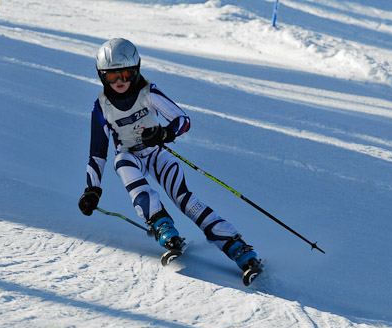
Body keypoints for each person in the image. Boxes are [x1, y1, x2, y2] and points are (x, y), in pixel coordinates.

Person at [78, 38, 262, 278]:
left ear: (137, 70)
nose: (120, 81)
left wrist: (165, 132)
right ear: (102, 77)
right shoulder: (102, 107)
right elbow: (97, 153)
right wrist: (92, 189)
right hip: (128, 155)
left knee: (184, 199)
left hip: (156, 153)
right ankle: (163, 226)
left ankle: (237, 247)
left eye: (126, 73)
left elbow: (183, 120)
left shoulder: (148, 93)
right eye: (112, 77)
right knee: (124, 168)